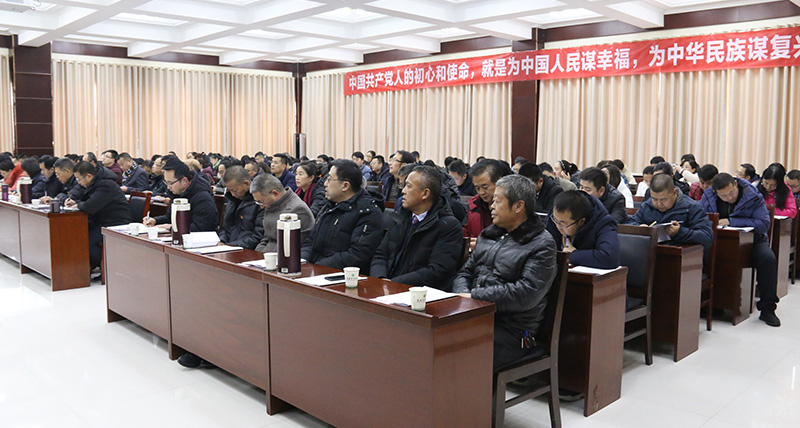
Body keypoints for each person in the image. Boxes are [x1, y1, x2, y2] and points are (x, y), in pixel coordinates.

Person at [453, 174, 557, 370]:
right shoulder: (489, 234)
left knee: (452, 349)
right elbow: (464, 273)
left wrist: (474, 297)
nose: (491, 206)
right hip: (476, 316)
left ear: (518, 206)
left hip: (513, 331)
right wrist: (463, 296)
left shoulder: (541, 243)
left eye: (497, 201)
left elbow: (526, 294)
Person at [700, 173, 780, 326]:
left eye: (732, 192)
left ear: (736, 184)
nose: (729, 198)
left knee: (768, 259)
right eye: (723, 196)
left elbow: (763, 224)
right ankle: (713, 304)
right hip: (721, 242)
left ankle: (767, 309)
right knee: (701, 254)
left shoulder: (753, 196)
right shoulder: (708, 197)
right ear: (716, 193)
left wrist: (732, 221)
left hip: (753, 242)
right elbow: (700, 218)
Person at [371, 165, 462, 290]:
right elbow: (381, 255)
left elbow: (437, 271)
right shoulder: (401, 217)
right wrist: (380, 279)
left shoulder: (448, 226)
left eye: (408, 186)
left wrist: (393, 283)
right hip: (388, 287)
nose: (403, 191)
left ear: (425, 193)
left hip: (419, 294)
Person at [301, 159, 383, 272]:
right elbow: (310, 241)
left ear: (345, 186)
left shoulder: (368, 212)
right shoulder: (328, 205)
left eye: (329, 179)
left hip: (341, 274)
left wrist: (318, 267)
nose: (325, 184)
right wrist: (303, 261)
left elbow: (358, 254)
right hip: (316, 269)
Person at [66, 161, 131, 270]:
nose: (79, 182)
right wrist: (75, 202)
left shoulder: (106, 185)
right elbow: (85, 200)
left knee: (86, 242)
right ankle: (85, 267)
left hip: (115, 223)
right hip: (101, 221)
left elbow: (90, 206)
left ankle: (107, 268)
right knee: (77, 236)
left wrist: (78, 204)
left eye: (79, 179)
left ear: (88, 176)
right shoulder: (94, 183)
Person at [627, 174, 713, 255]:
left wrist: (679, 232)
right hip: (649, 253)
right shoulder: (647, 206)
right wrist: (639, 228)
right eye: (654, 199)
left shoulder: (692, 208)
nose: (659, 204)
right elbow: (629, 223)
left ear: (674, 192)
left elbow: (707, 237)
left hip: (680, 256)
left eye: (663, 199)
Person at [547, 190, 620, 269]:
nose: (558, 226)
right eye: (556, 221)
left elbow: (609, 258)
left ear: (581, 222)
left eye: (563, 224)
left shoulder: (602, 223)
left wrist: (572, 255)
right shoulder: (556, 215)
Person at [144, 156, 218, 232]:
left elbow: (201, 227)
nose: (168, 187)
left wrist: (171, 227)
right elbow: (169, 217)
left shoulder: (202, 197)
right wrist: (155, 220)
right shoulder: (177, 192)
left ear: (184, 181)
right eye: (166, 183)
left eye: (170, 183)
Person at [250, 173, 314, 253]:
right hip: (268, 254)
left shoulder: (297, 209)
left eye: (261, 201)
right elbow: (267, 238)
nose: (261, 206)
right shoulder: (271, 204)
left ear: (275, 193)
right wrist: (257, 254)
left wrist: (264, 255)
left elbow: (291, 246)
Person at [462, 159, 512, 239]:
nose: (481, 192)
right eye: (477, 188)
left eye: (485, 187)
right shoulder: (472, 207)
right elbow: (464, 233)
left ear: (499, 182)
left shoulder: (513, 208)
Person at [216, 166, 264, 250]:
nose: (233, 194)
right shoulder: (232, 200)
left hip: (247, 250)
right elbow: (225, 228)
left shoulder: (260, 202)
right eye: (230, 191)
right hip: (229, 248)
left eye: (234, 190)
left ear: (246, 183)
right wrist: (222, 241)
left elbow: (258, 236)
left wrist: (231, 246)